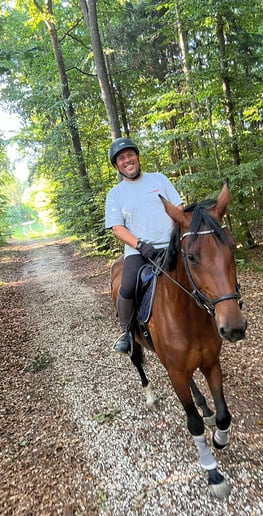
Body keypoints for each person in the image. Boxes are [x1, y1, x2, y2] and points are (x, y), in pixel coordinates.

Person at [104, 137, 183, 354]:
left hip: (172, 244)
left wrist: (178, 235)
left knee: (202, 268)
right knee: (127, 286)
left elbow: (178, 207)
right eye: (121, 158)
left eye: (130, 155)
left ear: (137, 157)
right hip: (139, 251)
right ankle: (127, 334)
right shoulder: (115, 194)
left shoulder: (158, 179)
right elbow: (117, 228)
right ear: (116, 165)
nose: (127, 160)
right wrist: (140, 245)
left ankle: (221, 313)